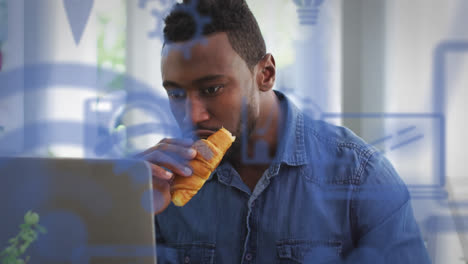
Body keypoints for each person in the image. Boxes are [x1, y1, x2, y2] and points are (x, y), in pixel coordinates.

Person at [140, 0, 431, 263]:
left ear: (265, 74)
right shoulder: (152, 181)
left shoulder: (363, 178)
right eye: (176, 94)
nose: (192, 115)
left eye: (212, 89)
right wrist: (126, 215)